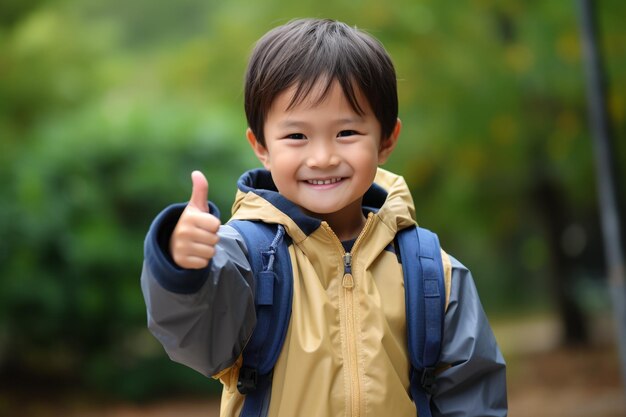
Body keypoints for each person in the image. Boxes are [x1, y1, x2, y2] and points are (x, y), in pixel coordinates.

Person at [141, 18, 507, 417]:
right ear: (260, 145)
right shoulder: (244, 258)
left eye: (346, 133)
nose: (323, 158)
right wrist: (183, 266)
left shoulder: (432, 272)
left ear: (386, 140)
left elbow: (473, 397)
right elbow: (194, 335)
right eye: (297, 136)